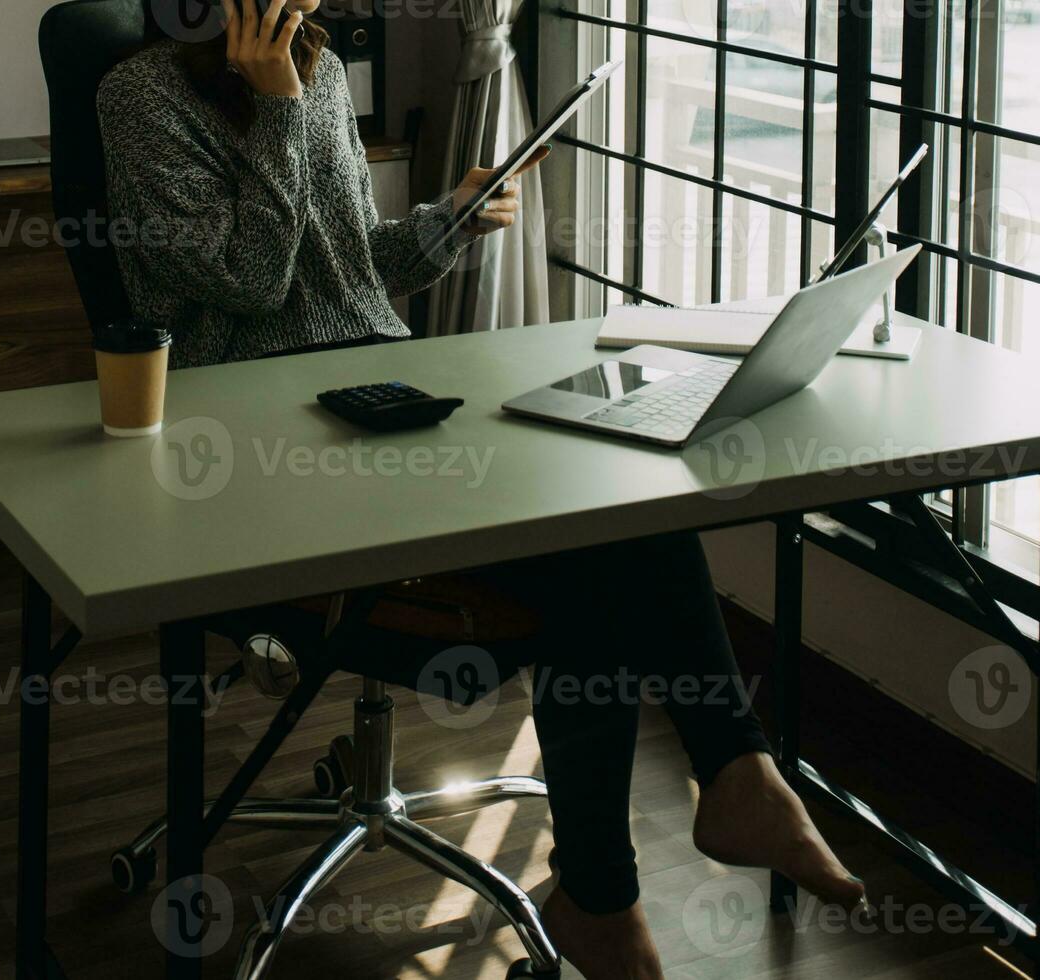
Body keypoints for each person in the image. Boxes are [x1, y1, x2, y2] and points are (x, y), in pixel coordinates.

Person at [97, 4, 867, 976]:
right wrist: (279, 112)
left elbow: (335, 270)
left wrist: (442, 227)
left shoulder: (312, 69)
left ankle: (714, 784)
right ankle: (622, 877)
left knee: (610, 514)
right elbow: (246, 282)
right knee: (593, 582)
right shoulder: (140, 97)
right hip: (248, 451)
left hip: (372, 404)